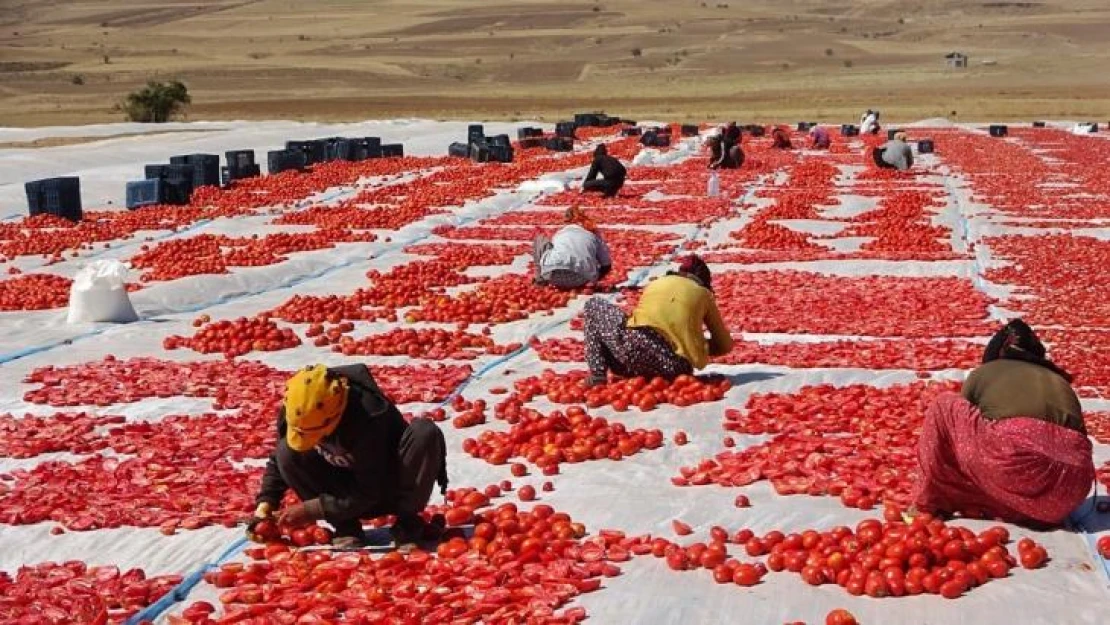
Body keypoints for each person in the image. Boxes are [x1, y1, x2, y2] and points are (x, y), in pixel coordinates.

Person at [912, 320, 1094, 527]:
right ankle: (1024, 510)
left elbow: (957, 436)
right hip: (1069, 493)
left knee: (944, 405)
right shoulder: (1058, 380)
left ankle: (925, 503)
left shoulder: (985, 372)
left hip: (1017, 468)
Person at [248, 364, 448, 549]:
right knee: (286, 452)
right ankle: (345, 526)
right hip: (342, 490)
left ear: (336, 414)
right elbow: (278, 460)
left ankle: (407, 522)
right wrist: (265, 505)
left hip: (387, 486)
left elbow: (371, 488)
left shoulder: (370, 416)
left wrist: (312, 510)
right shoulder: (298, 408)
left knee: (424, 433)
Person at [581, 254, 733, 387]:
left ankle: (598, 374)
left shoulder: (657, 283)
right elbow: (725, 345)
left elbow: (642, 320)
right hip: (675, 369)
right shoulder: (704, 294)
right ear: (704, 281)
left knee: (592, 304)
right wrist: (700, 345)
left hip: (633, 353)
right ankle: (651, 375)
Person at [533, 206, 613, 288]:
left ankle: (540, 280)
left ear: (567, 220)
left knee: (540, 239)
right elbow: (606, 264)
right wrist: (595, 278)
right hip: (582, 280)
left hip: (553, 277)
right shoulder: (592, 233)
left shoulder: (560, 233)